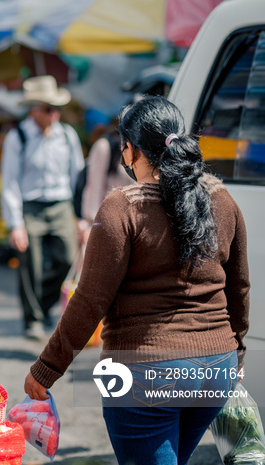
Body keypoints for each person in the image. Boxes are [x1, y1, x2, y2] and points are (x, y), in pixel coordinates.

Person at [24, 96, 250, 465]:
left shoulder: (123, 207)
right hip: (217, 367)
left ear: (130, 151)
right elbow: (238, 288)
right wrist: (236, 352)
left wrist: (46, 369)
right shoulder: (223, 199)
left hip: (147, 375)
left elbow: (89, 300)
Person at [0, 75, 85, 340]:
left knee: (69, 260)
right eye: (49, 108)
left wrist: (80, 216)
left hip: (60, 205)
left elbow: (77, 177)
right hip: (31, 207)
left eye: (56, 108)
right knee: (30, 264)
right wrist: (16, 224)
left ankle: (45, 304)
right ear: (33, 109)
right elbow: (10, 182)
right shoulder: (19, 137)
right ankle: (32, 319)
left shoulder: (67, 136)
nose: (54, 114)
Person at [77, 122, 133, 243]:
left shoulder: (139, 148)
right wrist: (92, 223)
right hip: (104, 222)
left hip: (127, 224)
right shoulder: (105, 146)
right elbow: (94, 187)